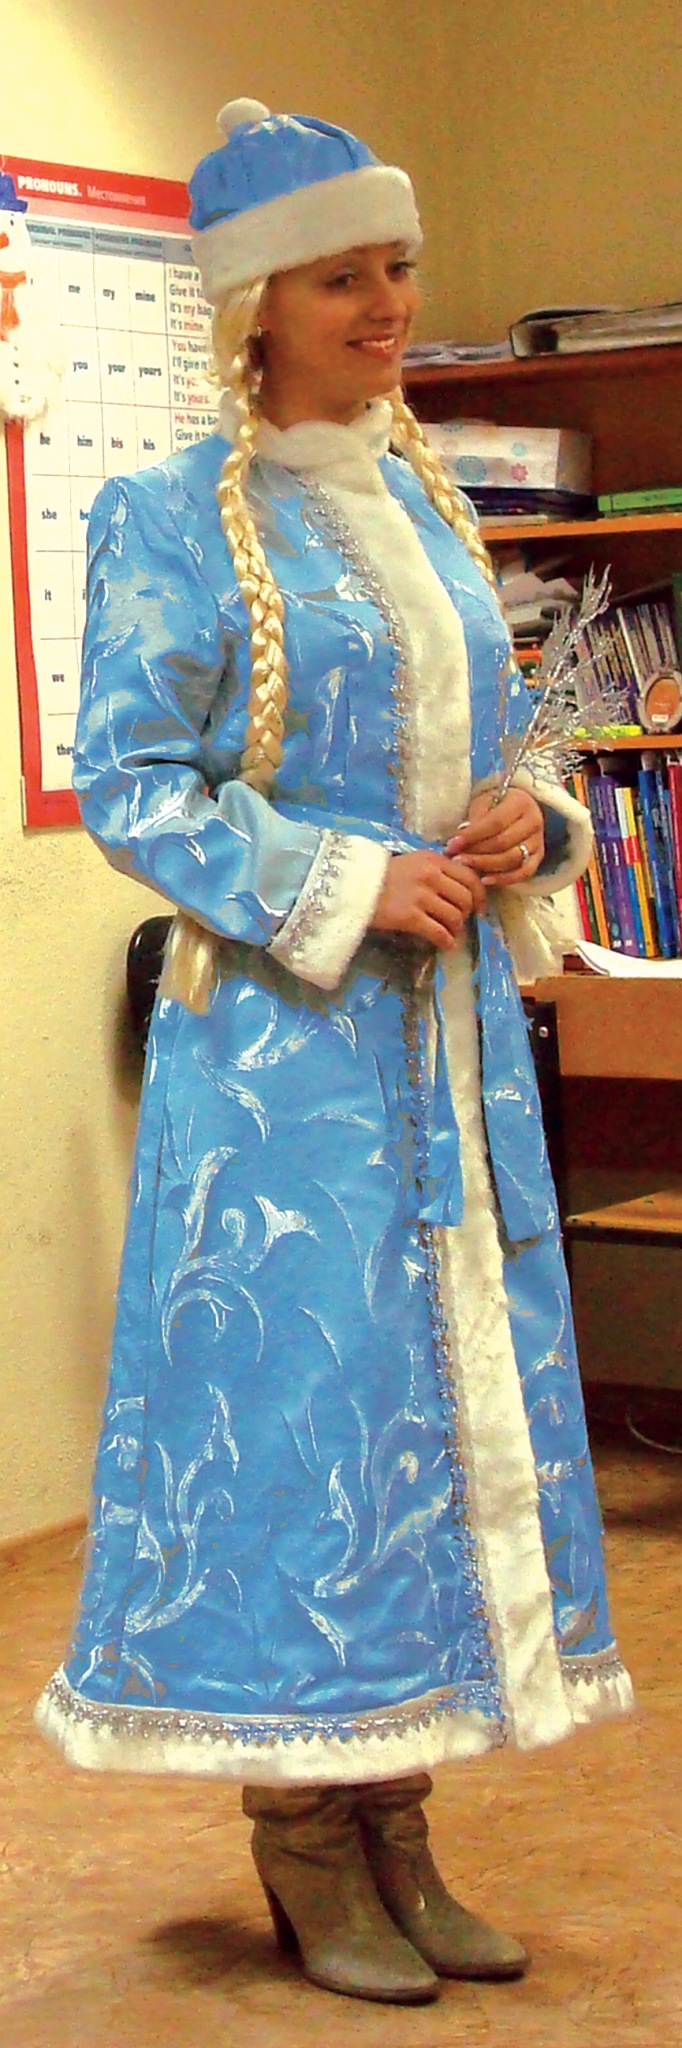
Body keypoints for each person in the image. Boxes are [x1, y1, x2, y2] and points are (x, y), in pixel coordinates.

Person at [36, 99, 633, 2007]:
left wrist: (527, 818)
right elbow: (134, 781)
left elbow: (508, 738)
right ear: (256, 306)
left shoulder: (429, 500)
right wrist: (346, 879)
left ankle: (398, 1818)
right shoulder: (164, 517)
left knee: (427, 1433)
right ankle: (302, 1835)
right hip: (283, 1073)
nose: (387, 305)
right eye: (343, 278)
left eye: (397, 269)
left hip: (447, 1053)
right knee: (307, 1429)